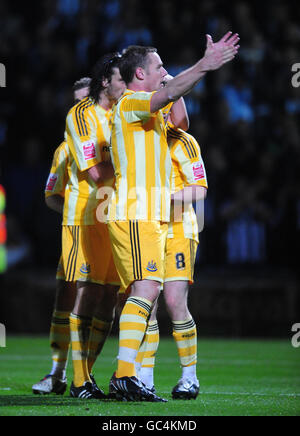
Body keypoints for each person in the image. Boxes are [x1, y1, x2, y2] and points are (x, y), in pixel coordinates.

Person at [108, 32, 240, 402]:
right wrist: (205, 65)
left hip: (156, 218)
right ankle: (126, 375)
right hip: (136, 210)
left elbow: (177, 115)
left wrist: (174, 82)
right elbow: (167, 96)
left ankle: (137, 378)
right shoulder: (131, 101)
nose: (166, 72)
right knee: (147, 290)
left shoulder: (161, 127)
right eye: (159, 67)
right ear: (138, 75)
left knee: (147, 295)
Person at [63, 53, 126, 399]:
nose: (127, 84)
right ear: (106, 81)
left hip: (114, 215)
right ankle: (77, 380)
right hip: (85, 215)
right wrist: (135, 173)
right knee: (87, 292)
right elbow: (95, 173)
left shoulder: (123, 112)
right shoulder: (81, 115)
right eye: (122, 78)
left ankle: (89, 376)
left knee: (109, 297)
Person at [137, 120, 208, 400]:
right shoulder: (138, 139)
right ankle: (145, 378)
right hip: (147, 228)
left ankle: (189, 378)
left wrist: (163, 198)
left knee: (175, 302)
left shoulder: (183, 141)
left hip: (179, 229)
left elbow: (199, 189)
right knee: (147, 302)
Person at [32, 78, 91, 396]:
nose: (79, 108)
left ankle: (133, 375)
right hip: (79, 234)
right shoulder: (65, 149)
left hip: (119, 229)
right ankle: (58, 373)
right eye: (75, 102)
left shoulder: (118, 135)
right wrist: (77, 211)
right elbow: (51, 195)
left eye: (85, 101)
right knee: (67, 295)